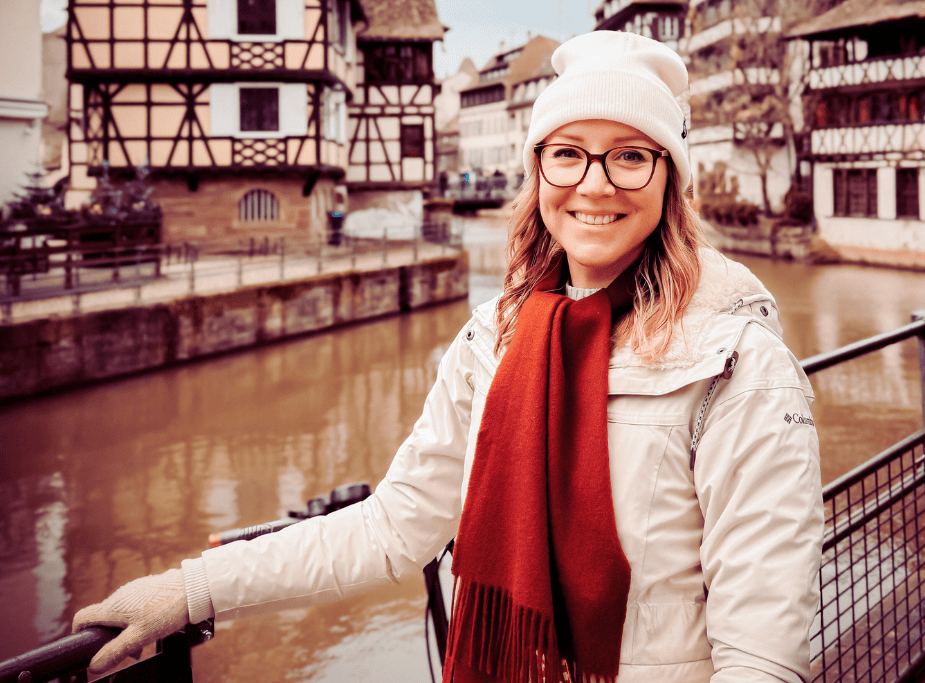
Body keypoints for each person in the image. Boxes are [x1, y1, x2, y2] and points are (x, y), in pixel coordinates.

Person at [73, 31, 824, 683]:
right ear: (538, 172)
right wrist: (193, 588)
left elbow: (761, 651)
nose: (594, 184)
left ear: (670, 178)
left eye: (630, 156)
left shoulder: (738, 366)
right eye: (568, 154)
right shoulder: (492, 340)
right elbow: (392, 528)